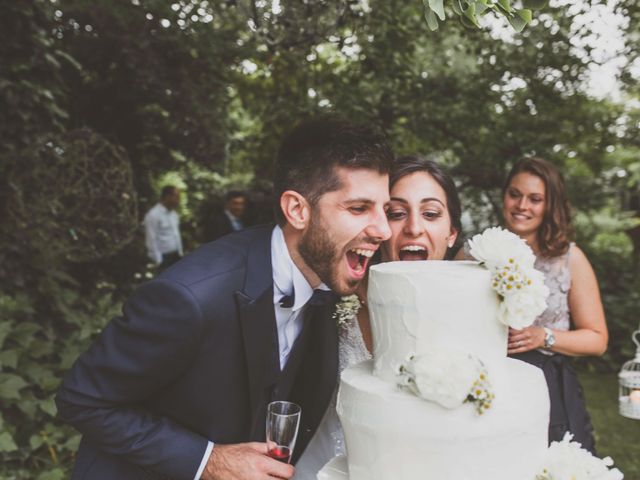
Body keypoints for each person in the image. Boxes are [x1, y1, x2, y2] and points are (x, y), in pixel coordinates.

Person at [55, 117, 393, 480]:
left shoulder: (327, 282)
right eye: (359, 209)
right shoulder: (189, 299)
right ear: (297, 210)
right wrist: (209, 460)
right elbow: (83, 398)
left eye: (385, 209)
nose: (383, 230)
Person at [294, 155, 462, 478]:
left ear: (451, 233)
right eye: (397, 213)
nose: (414, 227)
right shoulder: (331, 302)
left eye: (430, 214)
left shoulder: (471, 317)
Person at [501, 157, 608, 453]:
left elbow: (597, 339)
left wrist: (543, 336)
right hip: (491, 383)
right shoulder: (476, 252)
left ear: (550, 205)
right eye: (515, 194)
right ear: (504, 196)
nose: (522, 205)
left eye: (535, 199)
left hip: (550, 386)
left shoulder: (569, 259)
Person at [143, 185, 183, 270]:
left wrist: (180, 253)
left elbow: (176, 235)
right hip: (163, 259)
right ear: (168, 197)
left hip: (176, 257)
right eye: (176, 197)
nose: (178, 201)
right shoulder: (153, 215)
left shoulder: (174, 214)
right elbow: (151, 240)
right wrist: (159, 261)